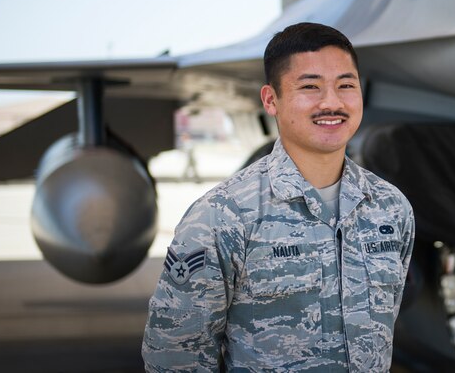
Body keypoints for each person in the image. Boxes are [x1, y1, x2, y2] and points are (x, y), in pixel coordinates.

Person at [143, 22, 415, 372]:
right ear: (271, 99)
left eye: (346, 85)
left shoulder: (390, 209)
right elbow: (174, 356)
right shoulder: (221, 216)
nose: (332, 102)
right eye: (310, 87)